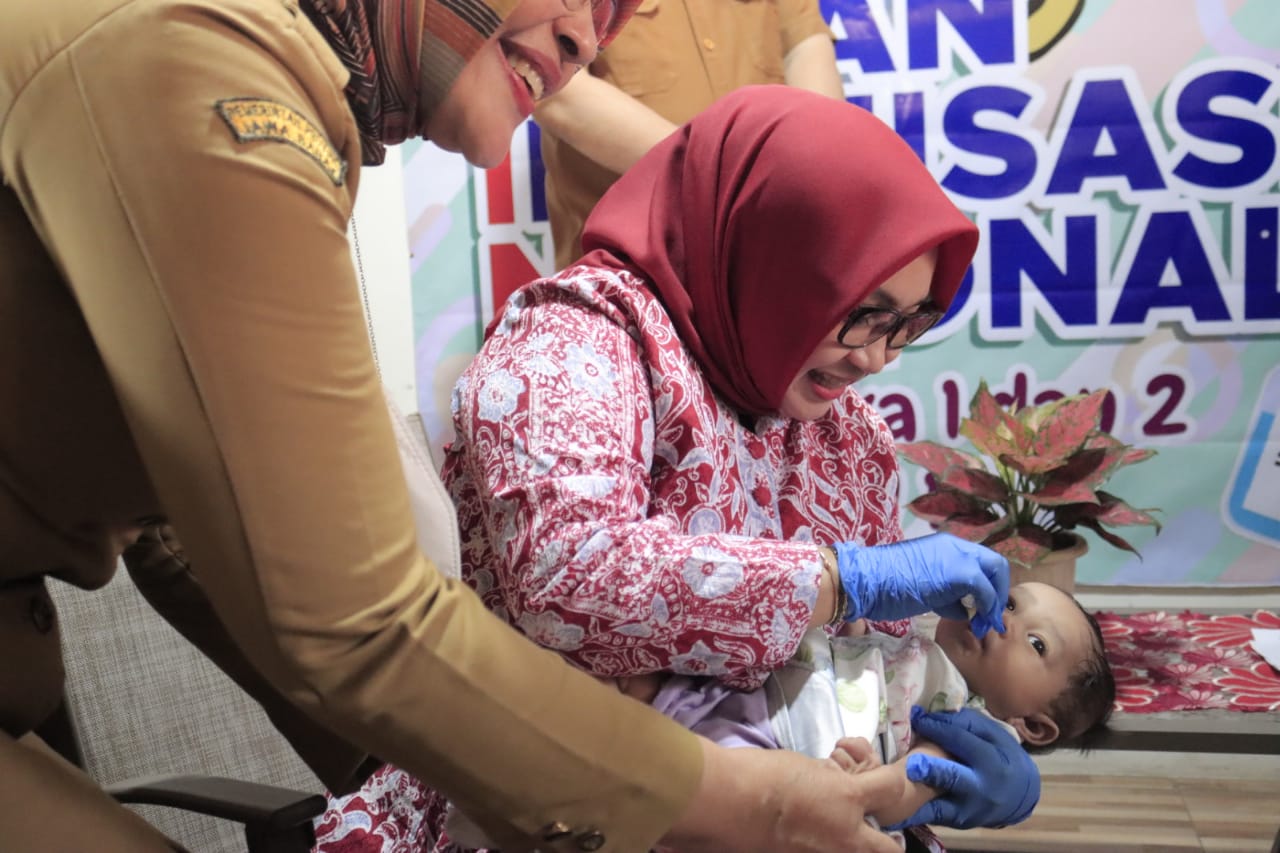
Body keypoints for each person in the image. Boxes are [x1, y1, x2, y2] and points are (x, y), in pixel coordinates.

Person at [0, 3, 946, 852]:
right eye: (854, 301)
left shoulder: (300, 95)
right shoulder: (210, 68)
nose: (591, 38)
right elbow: (377, 621)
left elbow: (192, 517)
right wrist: (735, 796)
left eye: (900, 322)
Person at [316, 85, 1040, 852]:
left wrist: (941, 761)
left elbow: (862, 673)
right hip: (544, 804)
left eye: (907, 324)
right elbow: (568, 581)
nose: (873, 357)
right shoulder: (578, 339)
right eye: (861, 309)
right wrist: (839, 577)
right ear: (775, 253)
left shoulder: (847, 433)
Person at [445, 580, 1116, 851]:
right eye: (1017, 599)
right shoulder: (920, 627)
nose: (1007, 620)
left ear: (1034, 725)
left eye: (1035, 642)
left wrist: (870, 788)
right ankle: (489, 715)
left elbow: (919, 778)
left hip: (794, 763)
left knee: (666, 798)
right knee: (631, 691)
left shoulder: (982, 730)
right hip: (758, 697)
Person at [534, 0, 844, 269]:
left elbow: (805, 49)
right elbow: (559, 93)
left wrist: (807, 176)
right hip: (626, 276)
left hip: (766, 266)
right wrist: (720, 173)